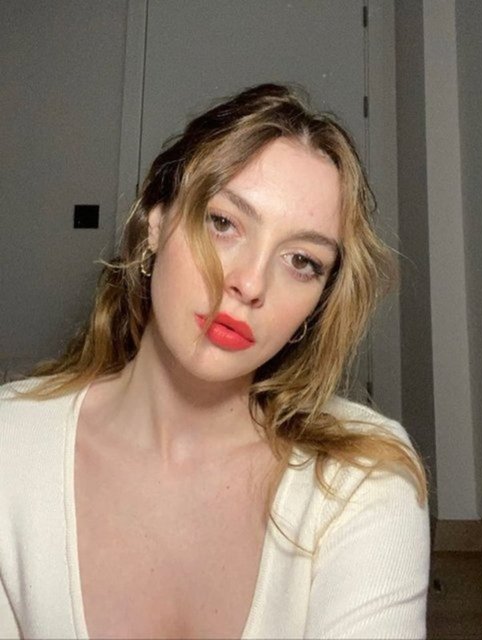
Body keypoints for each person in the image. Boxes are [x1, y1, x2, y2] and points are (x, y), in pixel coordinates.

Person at [0, 83, 429, 639]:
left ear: (317, 304)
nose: (250, 283)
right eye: (223, 222)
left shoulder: (364, 477)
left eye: (301, 260)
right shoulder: (12, 444)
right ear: (156, 222)